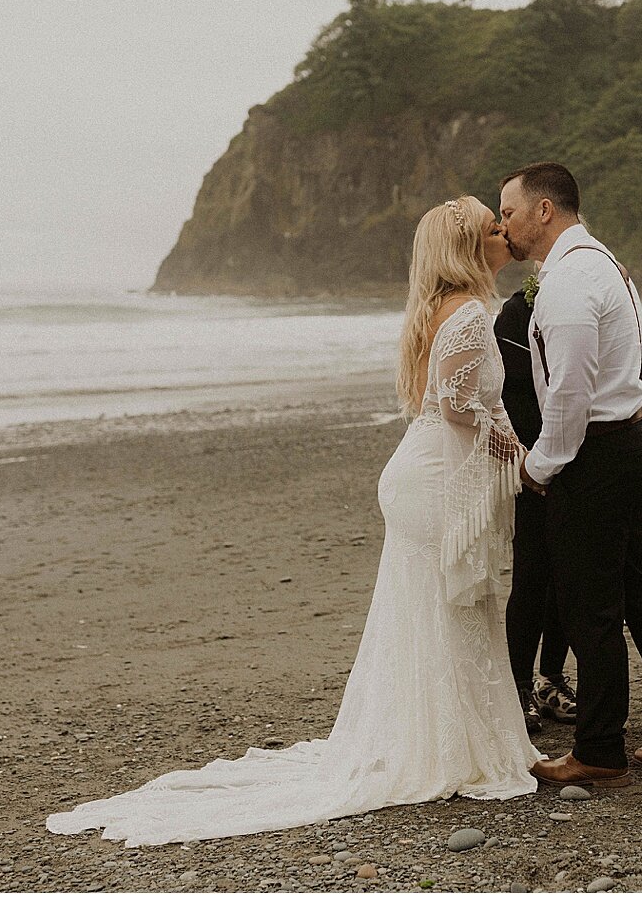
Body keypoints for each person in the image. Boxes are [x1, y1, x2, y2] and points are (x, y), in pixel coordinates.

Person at [46, 196, 537, 845]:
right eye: (491, 229)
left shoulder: (438, 308)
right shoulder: (470, 311)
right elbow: (453, 403)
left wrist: (497, 434)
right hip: (435, 478)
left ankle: (449, 739)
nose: (504, 234)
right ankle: (456, 748)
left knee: (433, 611)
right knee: (449, 610)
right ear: (471, 247)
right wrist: (510, 446)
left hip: (422, 473)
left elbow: (447, 396)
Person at [498, 162, 642, 789]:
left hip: (599, 450)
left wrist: (540, 467)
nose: (502, 224)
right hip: (633, 434)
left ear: (544, 211)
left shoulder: (569, 282)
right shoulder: (601, 264)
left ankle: (599, 750)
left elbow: (568, 393)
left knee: (589, 603)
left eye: (508, 211)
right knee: (639, 584)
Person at [495, 270, 578, 734]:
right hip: (533, 462)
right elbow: (507, 395)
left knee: (568, 575)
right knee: (530, 573)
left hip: (580, 455)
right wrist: (537, 460)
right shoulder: (514, 313)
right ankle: (520, 686)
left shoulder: (580, 302)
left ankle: (552, 678)